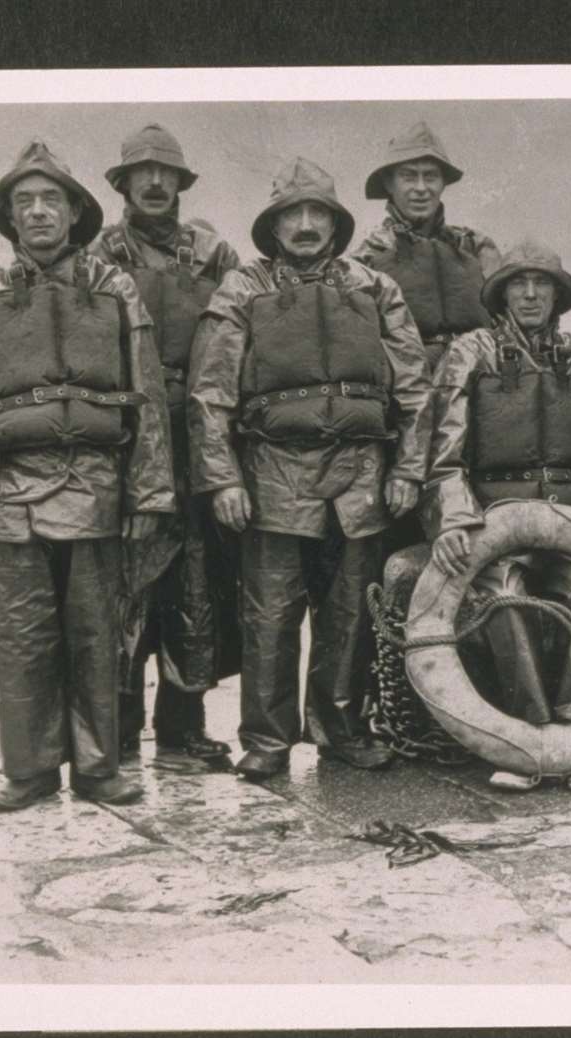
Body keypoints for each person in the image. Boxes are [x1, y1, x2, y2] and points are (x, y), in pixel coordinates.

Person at [0, 138, 175, 810]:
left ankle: (97, 768)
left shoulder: (114, 288)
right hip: (5, 487)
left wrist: (150, 490)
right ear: (8, 216)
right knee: (18, 635)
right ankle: (28, 771)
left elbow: (146, 394)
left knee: (97, 633)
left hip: (95, 485)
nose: (37, 213)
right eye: (23, 202)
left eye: (49, 200)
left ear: (73, 211)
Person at [187, 158, 431, 781]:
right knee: (270, 615)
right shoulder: (243, 290)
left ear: (334, 223)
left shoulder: (374, 288)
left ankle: (341, 729)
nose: (303, 225)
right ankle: (267, 738)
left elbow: (413, 390)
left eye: (315, 213)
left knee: (350, 608)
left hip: (359, 473)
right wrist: (222, 478)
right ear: (273, 226)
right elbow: (210, 393)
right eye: (290, 215)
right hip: (274, 472)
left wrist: (407, 469)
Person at [424, 240, 571, 793]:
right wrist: (455, 518)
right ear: (501, 294)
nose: (529, 294)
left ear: (557, 295)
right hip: (497, 525)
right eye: (518, 284)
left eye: (541, 284)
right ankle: (528, 738)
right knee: (503, 598)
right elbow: (445, 454)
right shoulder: (470, 352)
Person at [89, 123, 241, 763]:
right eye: (141, 173)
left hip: (200, 426)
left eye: (167, 173)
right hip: (124, 432)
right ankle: (117, 731)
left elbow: (245, 335)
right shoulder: (95, 255)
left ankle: (181, 728)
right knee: (126, 578)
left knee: (197, 578)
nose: (155, 183)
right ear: (123, 185)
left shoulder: (214, 256)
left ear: (181, 183)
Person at [351, 120, 501, 374]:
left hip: (477, 379)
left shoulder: (475, 246)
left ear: (443, 183)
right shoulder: (368, 255)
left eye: (430, 176)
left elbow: (508, 321)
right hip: (405, 386)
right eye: (409, 177)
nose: (421, 189)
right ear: (389, 184)